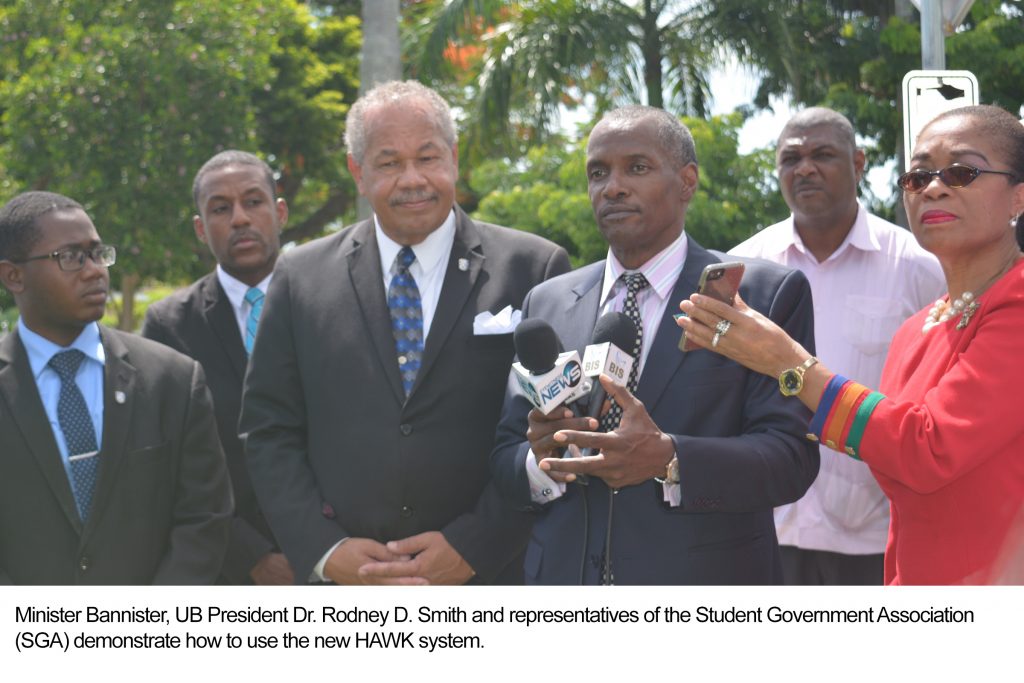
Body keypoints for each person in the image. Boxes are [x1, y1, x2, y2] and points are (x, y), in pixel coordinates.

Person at [240, 80, 571, 585]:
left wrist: (474, 546)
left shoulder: (535, 268)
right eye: (389, 162)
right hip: (349, 588)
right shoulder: (299, 276)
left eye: (428, 157)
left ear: (454, 159)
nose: (412, 179)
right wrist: (326, 551)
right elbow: (268, 430)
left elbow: (558, 429)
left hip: (495, 578)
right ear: (358, 172)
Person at [679, 104, 1024, 585]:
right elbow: (893, 458)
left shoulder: (1014, 302)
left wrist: (787, 362)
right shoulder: (918, 327)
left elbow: (927, 448)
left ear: (1018, 196)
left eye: (962, 172)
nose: (934, 188)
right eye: (918, 175)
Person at [490, 105, 820, 585]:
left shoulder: (761, 295)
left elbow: (790, 459)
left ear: (687, 181)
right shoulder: (548, 301)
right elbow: (505, 456)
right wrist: (542, 462)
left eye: (637, 168)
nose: (613, 187)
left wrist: (669, 458)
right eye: (598, 173)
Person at [728, 107, 945, 585]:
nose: (805, 168)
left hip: (876, 533)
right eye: (791, 158)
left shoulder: (919, 266)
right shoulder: (745, 267)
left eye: (822, 155)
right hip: (768, 527)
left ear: (858, 164)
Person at [0, 191, 231, 584]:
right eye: (70, 257)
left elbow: (204, 519)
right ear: (13, 276)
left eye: (97, 253)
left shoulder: (173, 379)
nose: (95, 271)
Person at [141, 151, 293, 585]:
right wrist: (250, 556)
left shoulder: (330, 301)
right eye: (221, 208)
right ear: (200, 228)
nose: (240, 218)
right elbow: (164, 462)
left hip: (340, 562)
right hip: (225, 572)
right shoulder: (169, 325)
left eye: (254, 202)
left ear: (280, 212)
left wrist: (321, 547)